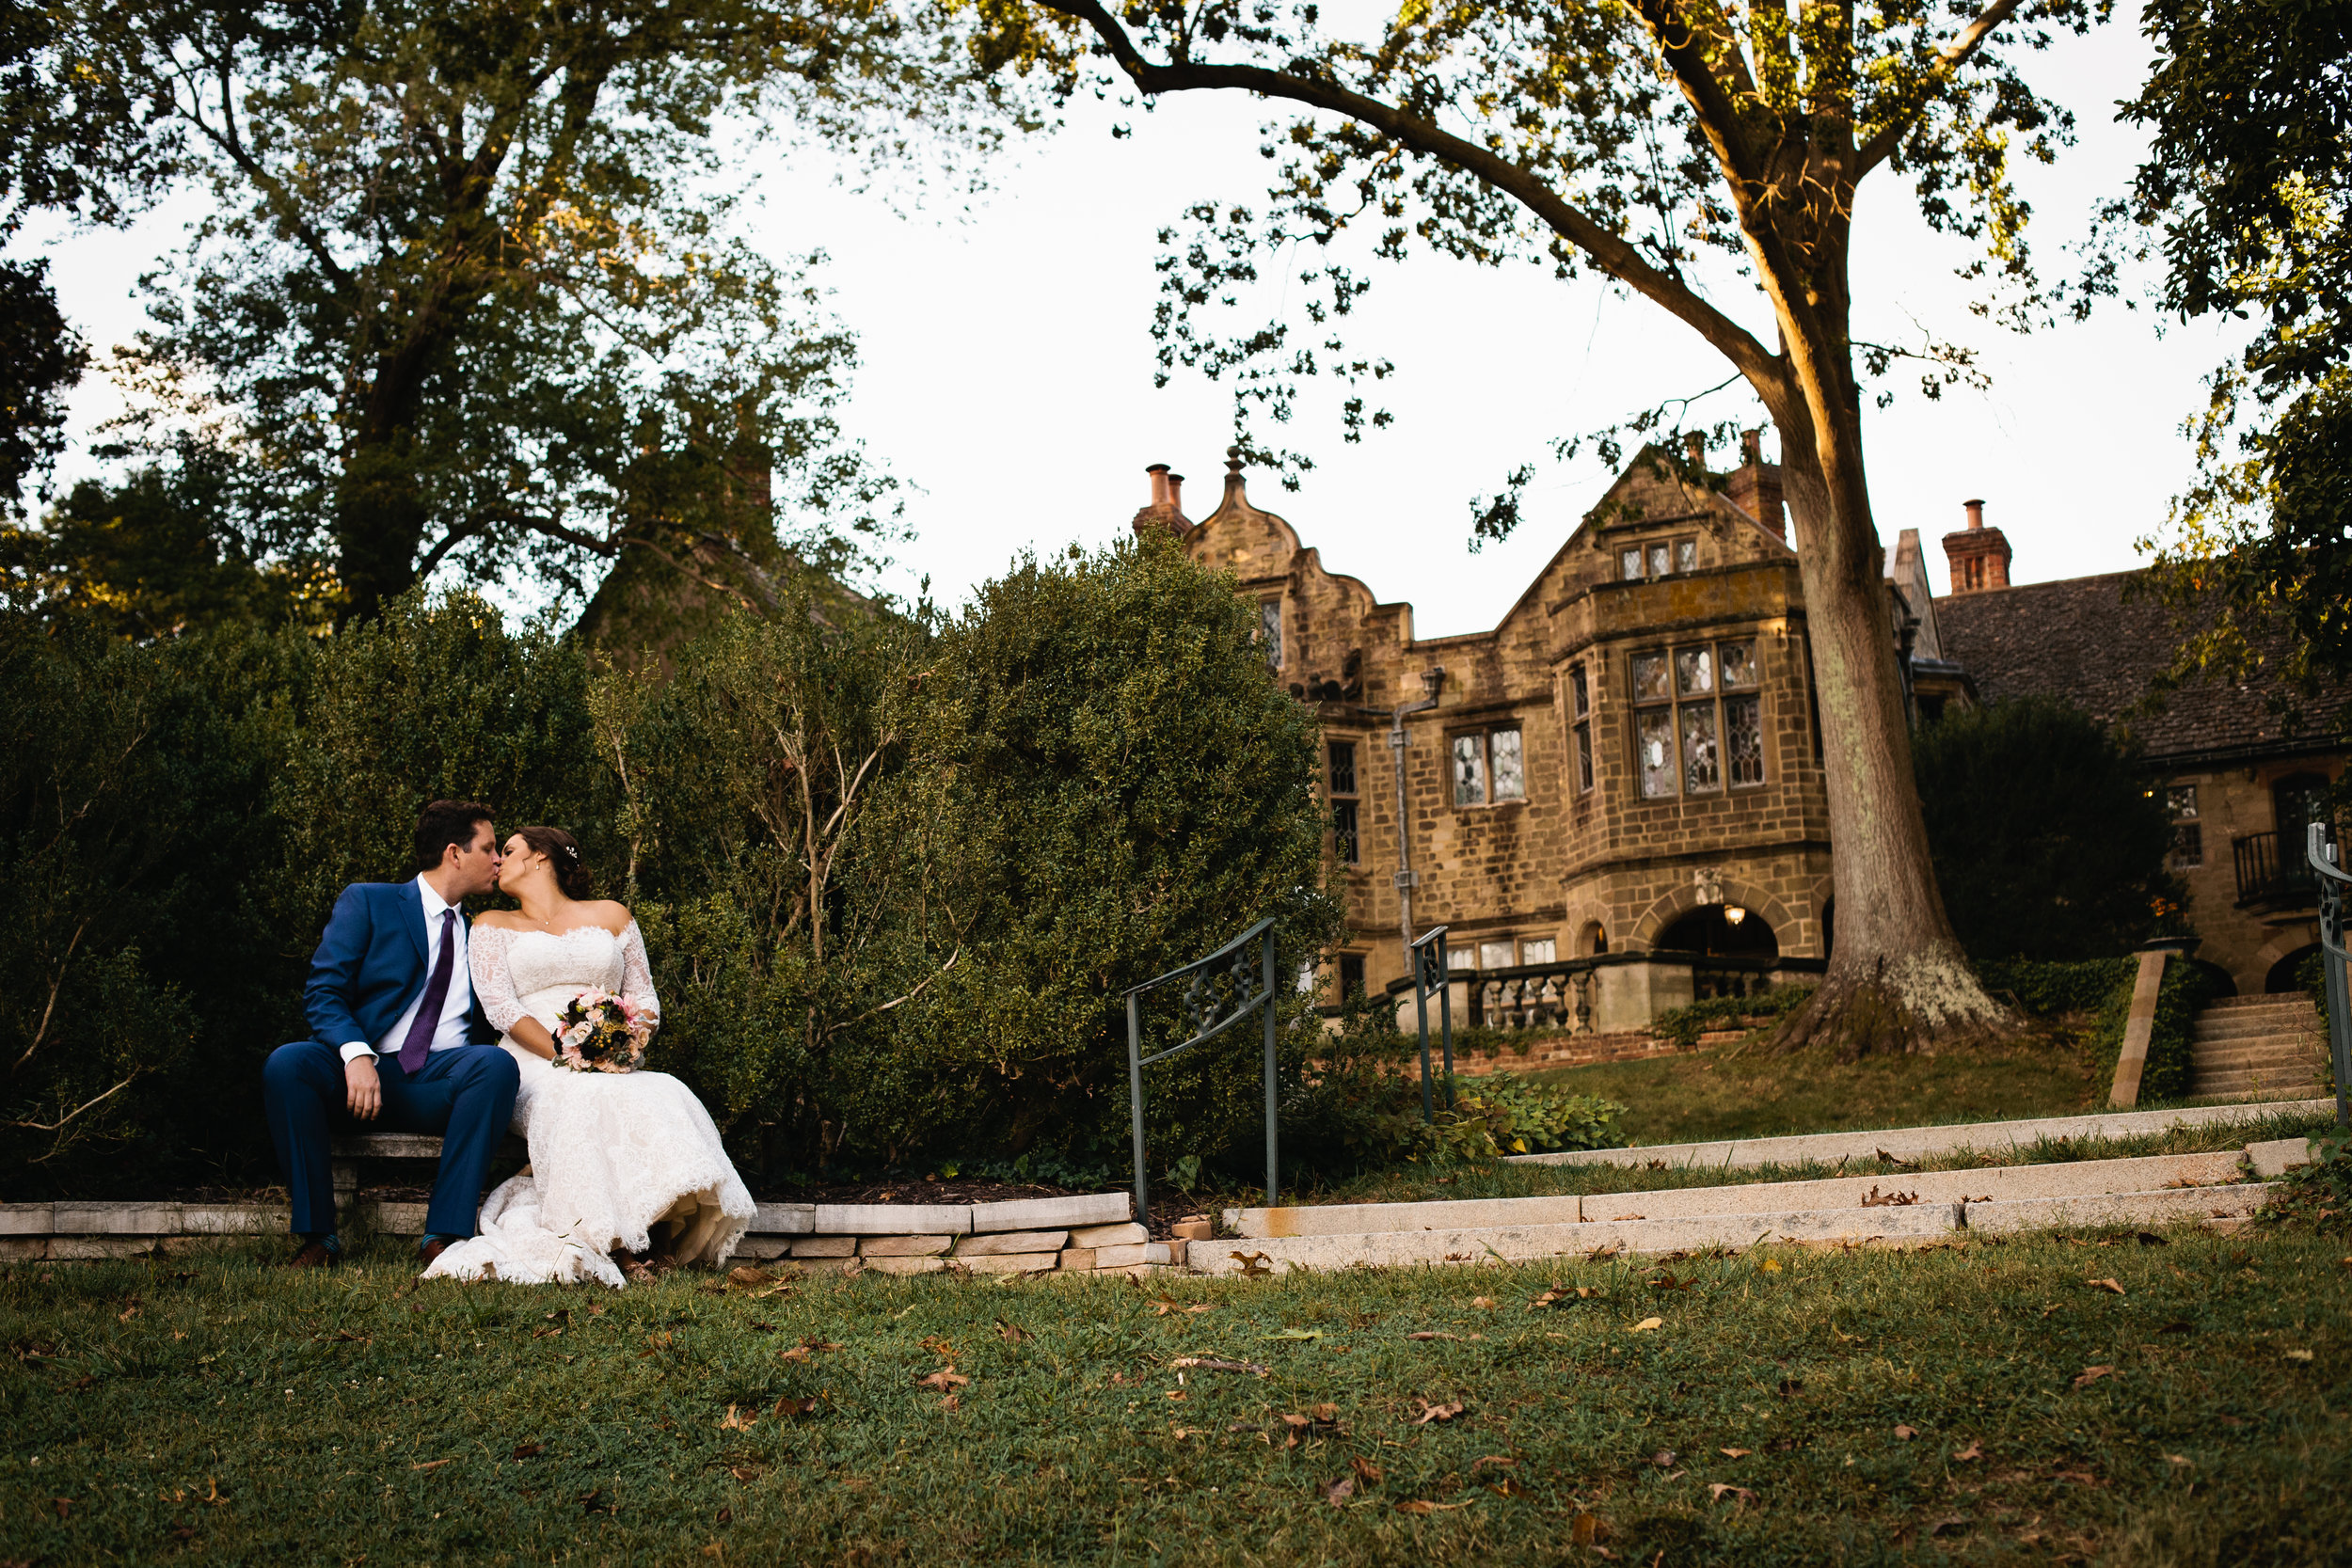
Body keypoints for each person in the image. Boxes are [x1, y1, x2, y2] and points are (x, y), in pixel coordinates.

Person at [421, 825, 755, 1287]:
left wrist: (624, 1043)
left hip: (611, 1060)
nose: (499, 860)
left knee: (664, 1090)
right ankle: (617, 1244)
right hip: (533, 1062)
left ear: (540, 857)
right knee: (580, 1100)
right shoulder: (491, 924)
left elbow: (646, 1000)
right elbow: (502, 1009)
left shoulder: (613, 915)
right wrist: (567, 1052)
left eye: (510, 850)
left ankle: (653, 1237)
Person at [262, 800, 522, 1271]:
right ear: (454, 853)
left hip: (436, 1081)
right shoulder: (369, 901)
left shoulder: (484, 932)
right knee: (288, 1063)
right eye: (489, 848)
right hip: (358, 1074)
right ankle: (319, 1238)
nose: (498, 860)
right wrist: (356, 1054)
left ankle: (443, 1236)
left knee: (496, 1065)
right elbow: (323, 991)